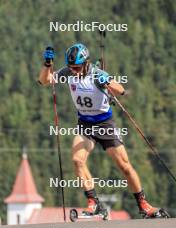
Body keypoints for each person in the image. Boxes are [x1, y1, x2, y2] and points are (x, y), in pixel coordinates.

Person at [38, 43, 161, 218]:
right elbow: (44, 81)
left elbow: (121, 90)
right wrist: (48, 64)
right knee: (77, 160)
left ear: (86, 63)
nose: (73, 71)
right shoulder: (67, 72)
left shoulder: (96, 74)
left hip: (105, 124)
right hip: (85, 125)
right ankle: (94, 202)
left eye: (77, 67)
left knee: (124, 167)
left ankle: (143, 204)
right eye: (71, 67)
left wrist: (107, 81)